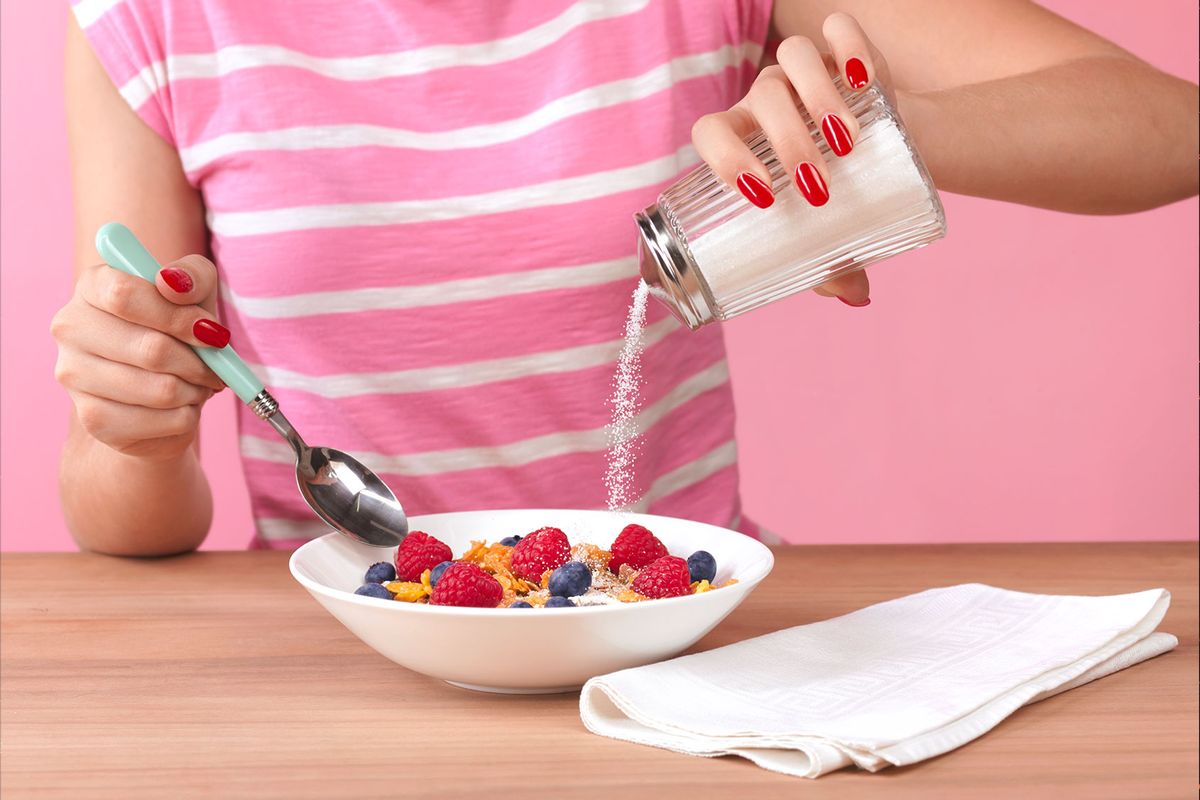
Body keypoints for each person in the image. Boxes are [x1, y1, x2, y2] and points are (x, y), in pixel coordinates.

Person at [52, 1, 1198, 556]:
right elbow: (128, 517)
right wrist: (131, 431)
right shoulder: (156, 17)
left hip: (687, 643)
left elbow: (1166, 127)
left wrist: (886, 136)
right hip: (342, 666)